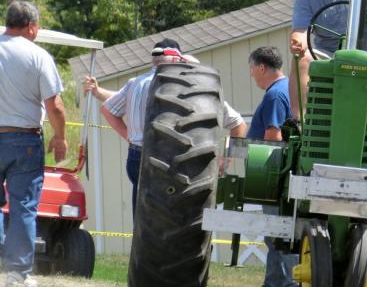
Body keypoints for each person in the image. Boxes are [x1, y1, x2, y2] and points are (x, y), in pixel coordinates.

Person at [84, 38, 246, 218]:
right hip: (170, 160)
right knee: (175, 214)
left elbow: (108, 108)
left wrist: (128, 135)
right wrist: (227, 160)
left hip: (136, 155)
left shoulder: (135, 83)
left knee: (143, 216)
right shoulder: (183, 87)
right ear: (177, 60)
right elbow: (238, 123)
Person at [0, 1, 67, 287]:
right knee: (23, 206)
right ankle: (17, 273)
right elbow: (55, 105)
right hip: (24, 138)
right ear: (31, 26)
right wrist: (60, 136)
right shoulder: (38, 56)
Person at [248, 46, 299, 287]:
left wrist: (266, 176)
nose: (251, 75)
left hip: (274, 175)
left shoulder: (275, 95)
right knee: (276, 234)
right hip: (286, 175)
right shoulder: (290, 88)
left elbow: (273, 135)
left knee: (280, 232)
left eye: (251, 69)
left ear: (261, 67)